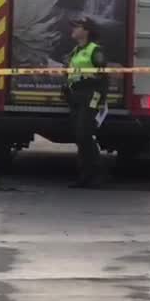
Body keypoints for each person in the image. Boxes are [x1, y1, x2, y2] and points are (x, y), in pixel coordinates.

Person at [64, 17, 109, 188]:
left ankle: (96, 173)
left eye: (77, 27)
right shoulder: (76, 51)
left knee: (84, 134)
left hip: (90, 95)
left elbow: (103, 76)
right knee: (79, 135)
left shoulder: (95, 50)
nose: (73, 29)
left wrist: (100, 98)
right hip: (76, 96)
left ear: (86, 30)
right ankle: (84, 175)